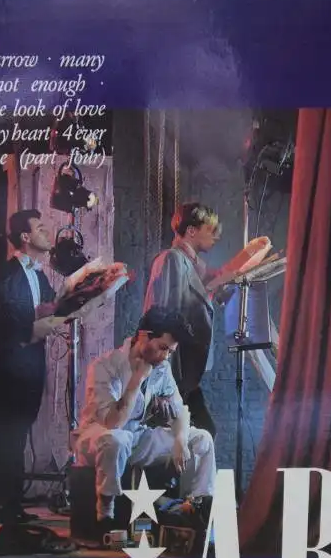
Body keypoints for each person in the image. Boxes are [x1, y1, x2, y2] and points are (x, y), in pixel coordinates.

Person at [73, 306, 216, 527]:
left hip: (136, 438)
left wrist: (180, 440)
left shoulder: (161, 367)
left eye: (170, 352)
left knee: (201, 439)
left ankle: (197, 507)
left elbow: (179, 410)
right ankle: (105, 513)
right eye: (162, 348)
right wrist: (137, 379)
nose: (165, 356)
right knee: (117, 439)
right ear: (143, 336)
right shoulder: (105, 366)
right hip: (98, 438)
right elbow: (113, 423)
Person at [142, 202, 271, 436]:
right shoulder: (172, 259)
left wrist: (248, 255)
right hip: (174, 371)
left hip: (186, 373)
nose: (217, 236)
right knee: (189, 436)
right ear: (191, 231)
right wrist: (162, 381)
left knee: (197, 435)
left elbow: (216, 281)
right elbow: (162, 320)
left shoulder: (191, 263)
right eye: (210, 230)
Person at [0, 209, 67, 525]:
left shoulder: (40, 275)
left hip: (31, 363)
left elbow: (50, 309)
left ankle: (8, 502)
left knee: (19, 430)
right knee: (9, 433)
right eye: (40, 228)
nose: (47, 232)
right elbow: (1, 317)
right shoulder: (6, 274)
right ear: (25, 237)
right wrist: (32, 328)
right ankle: (5, 504)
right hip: (9, 364)